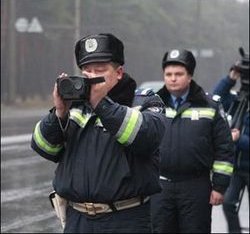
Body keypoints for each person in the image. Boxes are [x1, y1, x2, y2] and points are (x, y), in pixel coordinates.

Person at [31, 33, 166, 233]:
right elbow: (44, 148)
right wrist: (59, 112)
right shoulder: (75, 106)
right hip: (77, 219)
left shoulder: (145, 102)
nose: (91, 76)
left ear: (119, 72)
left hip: (125, 219)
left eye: (99, 70)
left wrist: (101, 104)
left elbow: (147, 137)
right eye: (86, 71)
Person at [151, 49, 234, 233]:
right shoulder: (153, 104)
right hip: (160, 187)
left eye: (179, 74)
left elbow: (224, 148)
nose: (173, 78)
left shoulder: (210, 105)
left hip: (196, 187)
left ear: (189, 76)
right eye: (168, 74)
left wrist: (219, 187)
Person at [213, 59, 249, 233]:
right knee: (227, 203)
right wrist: (231, 77)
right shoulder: (237, 100)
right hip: (235, 167)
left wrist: (239, 139)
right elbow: (215, 98)